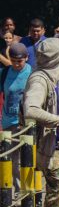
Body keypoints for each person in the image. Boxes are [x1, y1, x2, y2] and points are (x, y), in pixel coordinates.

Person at [25, 38, 59, 207]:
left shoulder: (52, 77)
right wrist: (56, 119)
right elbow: (31, 108)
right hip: (43, 145)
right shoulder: (40, 80)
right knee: (57, 186)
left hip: (54, 143)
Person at [1, 43, 32, 192]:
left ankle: (31, 188)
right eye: (13, 61)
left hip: (26, 122)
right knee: (12, 159)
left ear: (27, 58)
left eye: (20, 61)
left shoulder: (32, 72)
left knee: (28, 157)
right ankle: (19, 189)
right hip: (8, 122)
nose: (16, 64)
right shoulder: (5, 72)